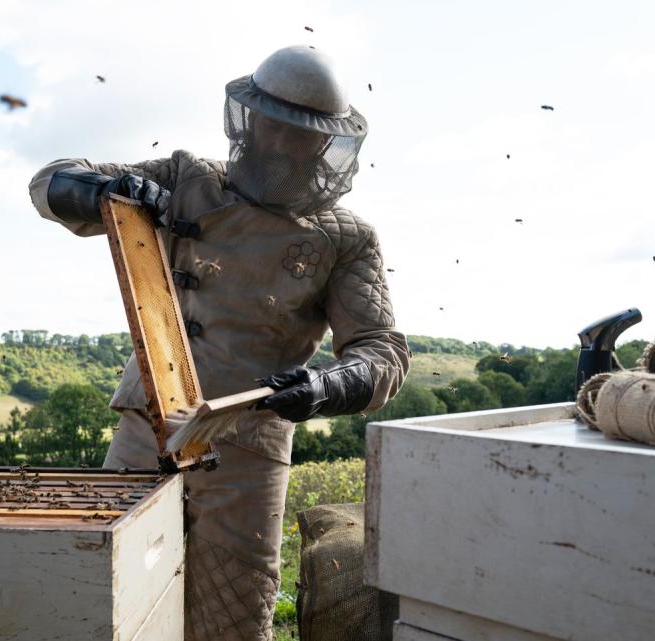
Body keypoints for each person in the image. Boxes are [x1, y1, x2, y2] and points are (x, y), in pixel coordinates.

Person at [29, 45, 410, 641]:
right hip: (145, 423)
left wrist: (323, 386)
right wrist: (106, 191)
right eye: (275, 127)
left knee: (231, 617)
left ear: (324, 144)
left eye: (300, 135)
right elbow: (49, 182)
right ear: (250, 120)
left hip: (247, 446)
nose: (283, 145)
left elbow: (381, 349)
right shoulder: (186, 179)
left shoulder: (347, 238)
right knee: (107, 598)